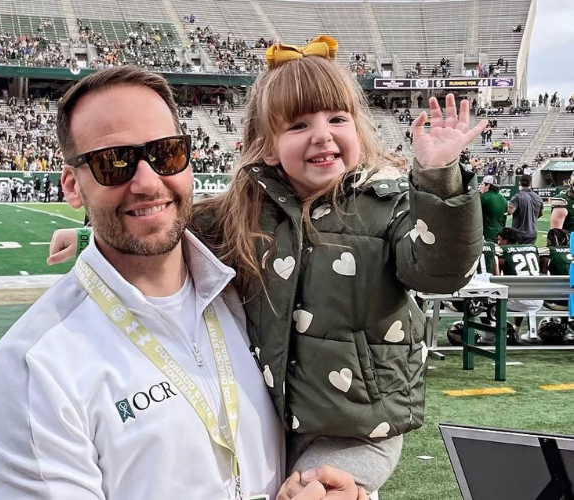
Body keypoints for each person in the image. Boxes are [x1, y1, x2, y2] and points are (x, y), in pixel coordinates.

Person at [47, 36, 485, 494]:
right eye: (298, 125)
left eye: (337, 118)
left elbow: (442, 269)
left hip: (355, 430)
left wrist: (439, 179)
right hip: (272, 417)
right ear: (269, 146)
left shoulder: (387, 207)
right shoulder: (242, 210)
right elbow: (162, 232)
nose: (322, 134)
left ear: (358, 130)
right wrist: (84, 237)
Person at [0, 65, 368, 500]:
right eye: (113, 162)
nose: (147, 181)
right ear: (72, 186)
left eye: (166, 153)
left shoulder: (250, 293)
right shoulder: (32, 370)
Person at [496, 227, 543, 343]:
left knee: (499, 296)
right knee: (522, 292)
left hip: (517, 301)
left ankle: (489, 333)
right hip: (537, 300)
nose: (498, 243)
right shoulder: (532, 248)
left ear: (506, 241)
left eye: (499, 240)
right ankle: (517, 329)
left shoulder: (503, 252)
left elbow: (496, 277)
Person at [538, 228, 571, 311]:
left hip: (560, 300)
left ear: (549, 240)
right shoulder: (572, 251)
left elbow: (542, 277)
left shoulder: (548, 251)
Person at [508, 174, 543, 244]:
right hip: (532, 232)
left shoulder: (517, 197)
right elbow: (541, 214)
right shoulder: (538, 198)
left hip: (518, 233)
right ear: (530, 183)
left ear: (520, 182)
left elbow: (510, 211)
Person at [479, 175, 508, 242]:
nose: (480, 186)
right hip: (499, 236)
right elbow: (504, 219)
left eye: (482, 184)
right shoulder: (503, 199)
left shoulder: (483, 197)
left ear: (488, 185)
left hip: (486, 235)